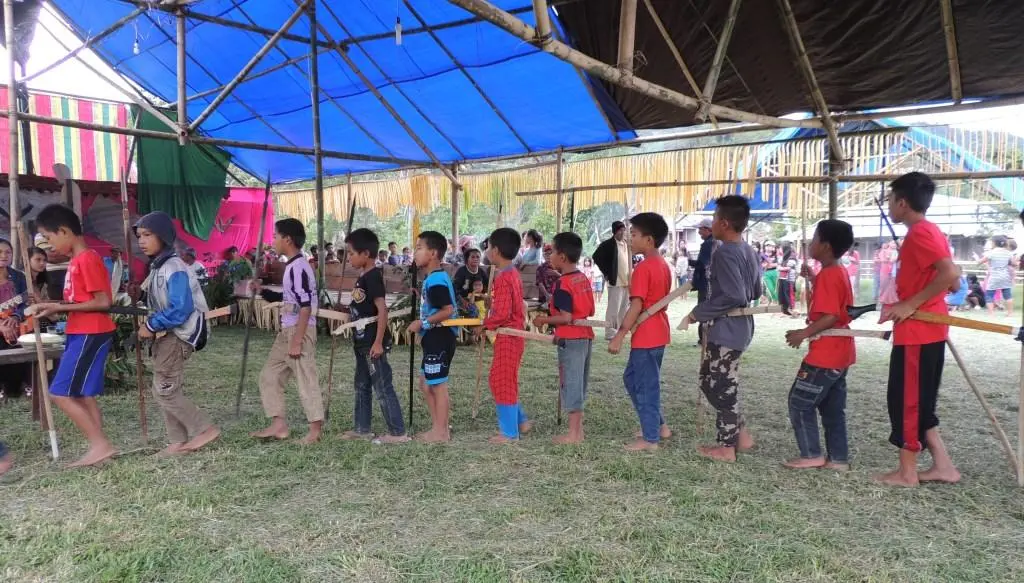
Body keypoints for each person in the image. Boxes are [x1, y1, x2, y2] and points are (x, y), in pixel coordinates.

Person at [876, 172, 961, 487]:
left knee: (907, 401)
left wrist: (910, 304)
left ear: (902, 202)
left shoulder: (921, 233)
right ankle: (944, 467)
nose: (888, 205)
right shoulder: (928, 231)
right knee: (920, 401)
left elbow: (949, 274)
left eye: (890, 200)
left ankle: (907, 472)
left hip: (919, 333)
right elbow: (953, 281)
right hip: (926, 330)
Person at [33, 204, 117, 468]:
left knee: (59, 393)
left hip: (90, 331)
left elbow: (103, 302)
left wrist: (59, 308)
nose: (49, 245)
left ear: (64, 231)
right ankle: (100, 447)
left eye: (50, 238)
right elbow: (80, 300)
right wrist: (53, 306)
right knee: (81, 393)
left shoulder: (87, 259)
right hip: (82, 330)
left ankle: (100, 444)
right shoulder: (77, 260)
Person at [133, 212, 220, 457]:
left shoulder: (173, 267)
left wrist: (151, 325)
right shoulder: (159, 267)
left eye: (147, 235)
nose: (141, 241)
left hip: (181, 333)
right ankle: (177, 441)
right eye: (139, 236)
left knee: (165, 389)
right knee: (162, 388)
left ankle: (204, 429)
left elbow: (181, 308)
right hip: (169, 333)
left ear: (163, 236)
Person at [685, 196, 761, 462]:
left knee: (722, 385)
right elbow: (755, 291)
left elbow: (734, 295)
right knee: (709, 381)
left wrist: (697, 313)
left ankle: (726, 446)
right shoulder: (748, 250)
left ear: (725, 223)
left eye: (715, 218)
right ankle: (740, 433)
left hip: (728, 328)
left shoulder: (725, 252)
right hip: (738, 326)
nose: (712, 223)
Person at [782, 220, 856, 470]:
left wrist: (803, 333)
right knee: (832, 408)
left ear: (825, 246)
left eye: (814, 240)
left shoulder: (829, 275)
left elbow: (830, 315)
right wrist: (814, 279)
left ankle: (811, 454)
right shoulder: (837, 271)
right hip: (841, 351)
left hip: (825, 353)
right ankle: (838, 458)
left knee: (799, 402)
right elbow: (835, 304)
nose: (809, 244)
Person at [250, 219, 323, 445]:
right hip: (288, 329)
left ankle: (315, 430)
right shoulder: (292, 267)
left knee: (305, 378)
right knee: (270, 375)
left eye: (276, 236)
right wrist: (263, 291)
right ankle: (278, 424)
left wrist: (297, 341)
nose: (273, 240)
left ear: (287, 239)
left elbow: (305, 306)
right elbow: (289, 298)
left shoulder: (299, 267)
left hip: (299, 330)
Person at [609, 213, 672, 452]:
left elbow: (636, 305)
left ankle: (650, 438)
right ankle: (658, 426)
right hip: (658, 332)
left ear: (649, 240)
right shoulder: (662, 264)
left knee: (645, 386)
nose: (629, 238)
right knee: (633, 379)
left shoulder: (644, 267)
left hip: (647, 335)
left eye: (634, 234)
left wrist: (619, 335)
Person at [341, 228, 409, 444]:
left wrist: (378, 342)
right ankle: (362, 429)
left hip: (372, 343)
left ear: (366, 254)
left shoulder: (373, 277)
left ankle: (398, 433)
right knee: (361, 384)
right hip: (362, 342)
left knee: (382, 387)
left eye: (352, 253)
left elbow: (382, 310)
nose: (349, 257)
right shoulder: (363, 277)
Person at [533, 232, 594, 444]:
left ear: (562, 257)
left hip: (570, 339)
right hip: (585, 336)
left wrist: (543, 319)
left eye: (552, 252)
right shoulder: (582, 278)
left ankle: (574, 434)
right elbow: (590, 310)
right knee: (579, 382)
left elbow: (566, 317)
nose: (549, 256)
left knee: (571, 382)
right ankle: (578, 431)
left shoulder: (562, 284)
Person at [475, 227, 530, 443]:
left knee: (501, 381)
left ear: (496, 250)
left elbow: (503, 314)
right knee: (504, 379)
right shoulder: (512, 273)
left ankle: (509, 433)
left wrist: (484, 324)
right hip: (513, 335)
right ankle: (520, 421)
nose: (487, 251)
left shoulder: (503, 277)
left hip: (509, 335)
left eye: (488, 247)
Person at [407, 231, 458, 443]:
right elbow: (437, 304)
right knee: (426, 383)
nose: (415, 253)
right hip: (434, 337)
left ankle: (441, 432)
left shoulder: (436, 280)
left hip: (440, 336)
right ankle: (439, 426)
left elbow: (448, 310)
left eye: (419, 248)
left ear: (434, 253)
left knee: (437, 385)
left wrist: (423, 323)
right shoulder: (434, 279)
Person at [0, 239, 30, 400]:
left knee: (25, 342)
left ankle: (23, 385)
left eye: (8, 252)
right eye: (0, 252)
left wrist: (16, 316)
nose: (4, 256)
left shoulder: (19, 277)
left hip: (17, 324)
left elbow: (27, 302)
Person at [592, 221, 631, 341]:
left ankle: (620, 330)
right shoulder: (609, 244)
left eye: (624, 230)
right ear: (615, 232)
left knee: (623, 308)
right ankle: (610, 332)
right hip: (616, 281)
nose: (622, 232)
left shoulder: (627, 244)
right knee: (613, 309)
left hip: (626, 281)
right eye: (620, 230)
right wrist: (607, 272)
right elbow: (596, 256)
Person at [978, 236, 1016, 316]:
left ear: (994, 243)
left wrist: (977, 259)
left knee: (989, 295)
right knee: (1008, 296)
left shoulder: (991, 252)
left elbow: (980, 262)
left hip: (994, 277)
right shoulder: (1008, 253)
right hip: (1005, 277)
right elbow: (1014, 264)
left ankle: (991, 314)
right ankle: (1010, 313)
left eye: (991, 242)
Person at [453, 248, 488, 316]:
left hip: (479, 300)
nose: (476, 259)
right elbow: (454, 289)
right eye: (473, 257)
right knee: (473, 312)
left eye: (477, 257)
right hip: (463, 300)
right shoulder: (461, 271)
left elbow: (488, 286)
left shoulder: (481, 272)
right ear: (467, 259)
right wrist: (463, 301)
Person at [778, 244, 797, 316]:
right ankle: (784, 309)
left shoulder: (792, 258)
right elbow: (778, 267)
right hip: (782, 278)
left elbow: (787, 268)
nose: (779, 250)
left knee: (788, 294)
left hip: (789, 279)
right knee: (782, 295)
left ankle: (791, 309)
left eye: (781, 248)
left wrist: (781, 268)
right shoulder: (783, 258)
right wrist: (781, 268)